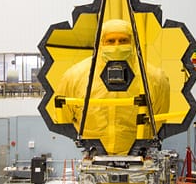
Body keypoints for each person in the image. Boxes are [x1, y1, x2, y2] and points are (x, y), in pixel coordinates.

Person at [56, 19, 170, 155]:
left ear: (133, 42)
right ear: (100, 42)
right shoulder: (75, 76)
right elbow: (63, 117)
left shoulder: (155, 77)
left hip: (139, 156)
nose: (117, 46)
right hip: (93, 156)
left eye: (123, 41)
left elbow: (159, 118)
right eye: (110, 41)